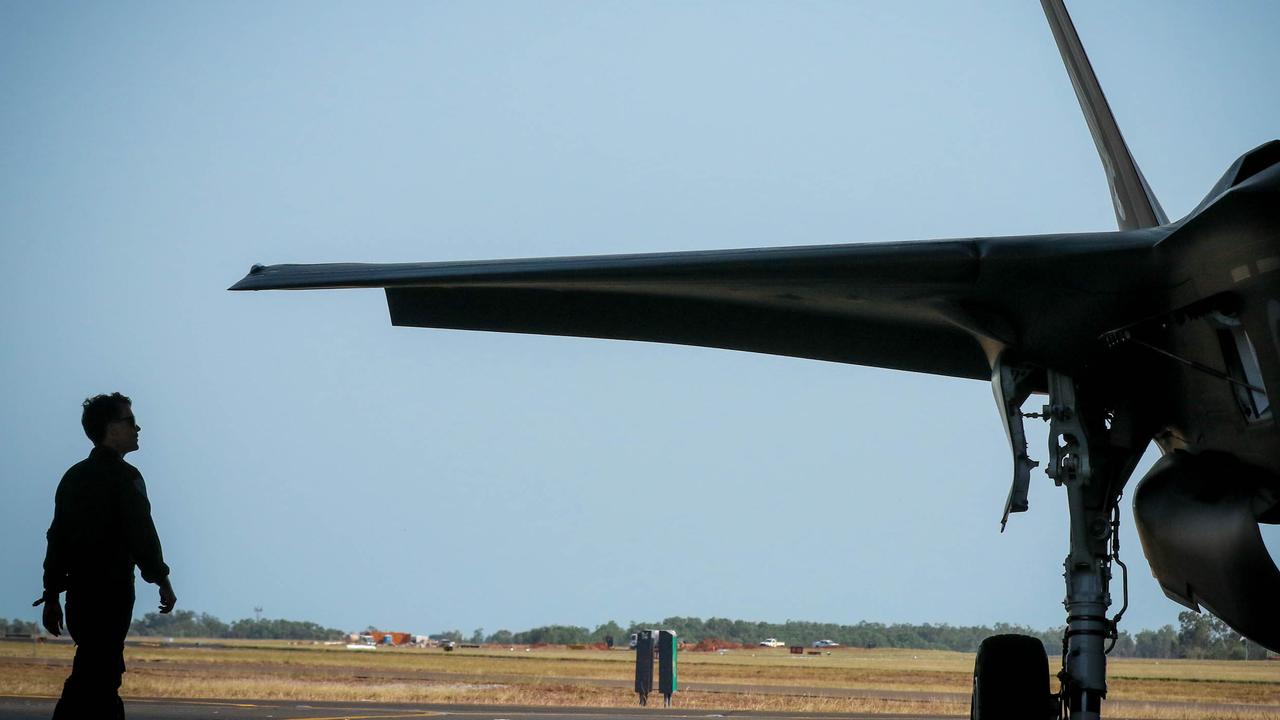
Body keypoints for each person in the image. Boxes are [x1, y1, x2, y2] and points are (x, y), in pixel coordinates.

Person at [36, 392, 177, 720]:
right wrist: (162, 579)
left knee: (93, 669)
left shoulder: (73, 477)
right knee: (100, 678)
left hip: (79, 597)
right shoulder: (127, 478)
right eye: (130, 422)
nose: (138, 428)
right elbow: (143, 535)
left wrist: (52, 594)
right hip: (111, 594)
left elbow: (57, 540)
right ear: (112, 429)